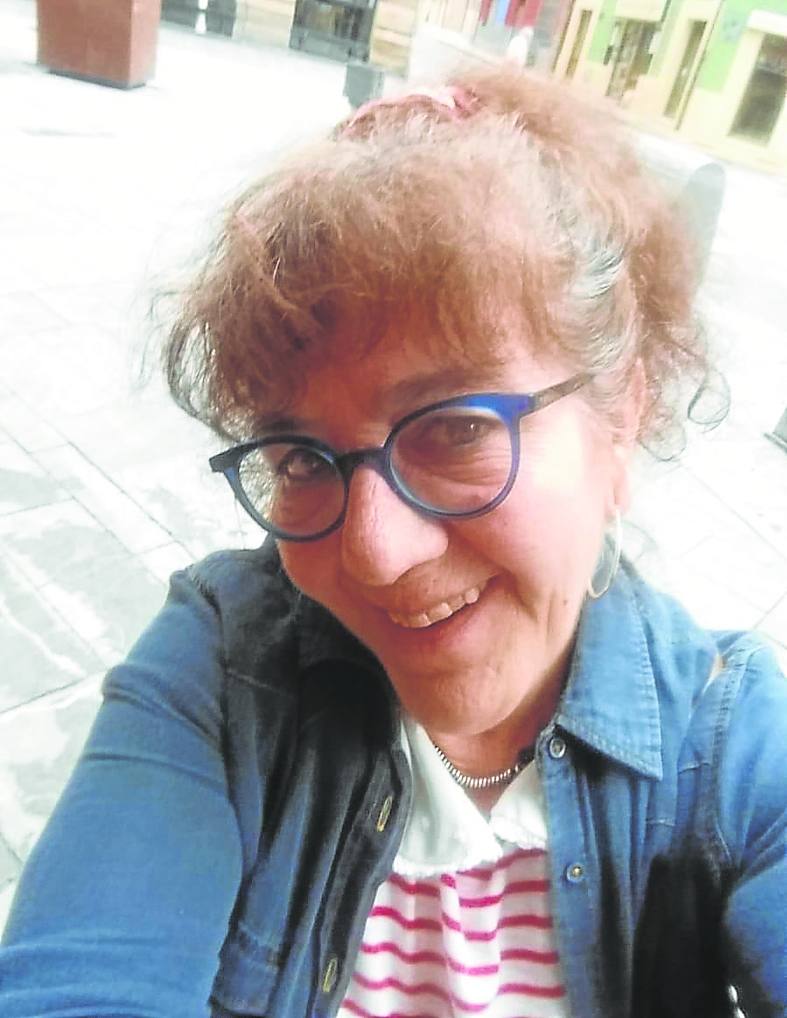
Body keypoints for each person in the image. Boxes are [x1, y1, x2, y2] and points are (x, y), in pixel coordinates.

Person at [1, 66, 785, 1018]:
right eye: (301, 457)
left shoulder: (732, 744)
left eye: (454, 428)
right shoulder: (223, 670)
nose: (374, 554)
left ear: (619, 416)